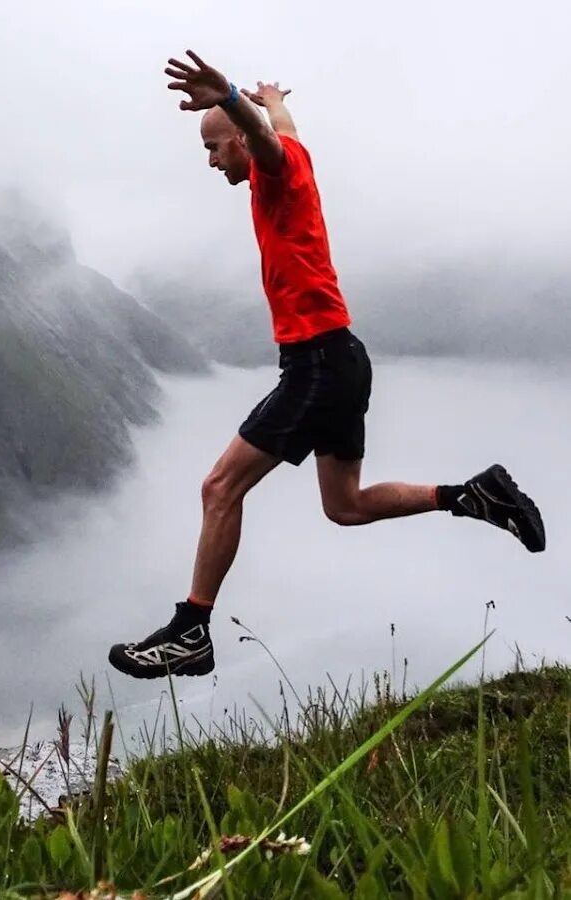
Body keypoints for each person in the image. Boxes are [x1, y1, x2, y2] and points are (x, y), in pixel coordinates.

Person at [108, 50, 546, 680]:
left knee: (219, 488)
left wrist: (231, 95)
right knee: (344, 506)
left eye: (213, 148)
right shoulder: (291, 158)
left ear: (238, 138)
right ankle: (474, 495)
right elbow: (279, 123)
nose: (210, 162)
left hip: (317, 362)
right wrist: (271, 97)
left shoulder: (277, 171)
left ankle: (191, 630)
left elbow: (265, 135)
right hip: (342, 358)